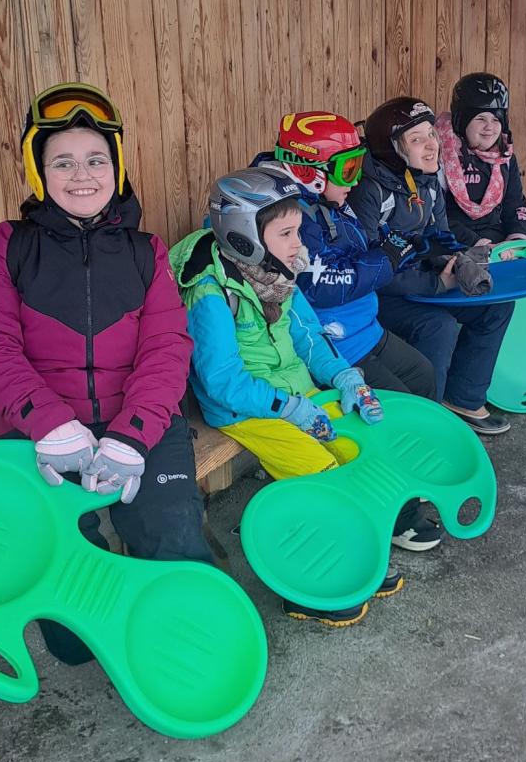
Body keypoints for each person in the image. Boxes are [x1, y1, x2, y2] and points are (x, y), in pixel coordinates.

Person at [0, 82, 214, 665]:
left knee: (175, 541)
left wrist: (134, 435)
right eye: (63, 162)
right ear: (39, 171)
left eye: (96, 159)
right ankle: (99, 611)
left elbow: (166, 349)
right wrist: (48, 424)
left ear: (116, 166)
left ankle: (181, 650)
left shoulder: (145, 251)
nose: (82, 175)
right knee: (74, 638)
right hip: (38, 429)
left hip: (139, 424)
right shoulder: (9, 246)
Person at [169, 166, 401, 627]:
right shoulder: (210, 293)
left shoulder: (277, 271)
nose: (300, 244)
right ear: (244, 237)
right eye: (287, 233)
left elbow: (309, 337)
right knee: (321, 474)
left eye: (298, 231)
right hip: (245, 409)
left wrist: (344, 377)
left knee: (359, 450)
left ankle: (358, 557)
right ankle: (306, 589)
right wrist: (288, 407)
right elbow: (221, 382)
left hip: (296, 393)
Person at [254, 111, 442, 551]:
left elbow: (361, 250)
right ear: (310, 171)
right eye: (346, 168)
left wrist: (392, 249)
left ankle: (409, 482)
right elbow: (322, 283)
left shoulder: (333, 202)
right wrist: (385, 259)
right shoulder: (287, 215)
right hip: (335, 345)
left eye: (358, 165)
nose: (355, 180)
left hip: (366, 330)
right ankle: (395, 512)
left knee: (422, 378)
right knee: (388, 415)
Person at [347, 97, 514, 436]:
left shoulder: (426, 181)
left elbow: (441, 237)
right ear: (393, 149)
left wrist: (464, 262)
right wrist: (436, 284)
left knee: (495, 305)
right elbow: (369, 270)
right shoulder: (370, 190)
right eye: (416, 139)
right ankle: (428, 425)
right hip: (382, 295)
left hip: (424, 282)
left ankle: (462, 399)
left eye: (431, 135)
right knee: (438, 326)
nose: (431, 145)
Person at [434, 73, 526, 249]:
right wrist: (478, 244)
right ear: (462, 120)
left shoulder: (505, 157)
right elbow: (434, 214)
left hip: (498, 242)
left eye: (496, 119)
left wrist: (516, 242)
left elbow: (515, 204)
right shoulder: (439, 155)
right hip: (454, 242)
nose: (489, 127)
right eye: (480, 119)